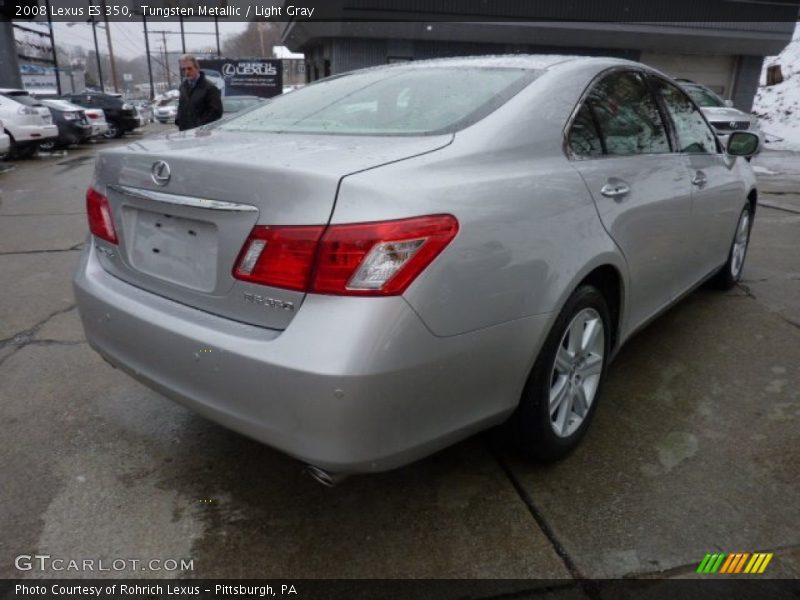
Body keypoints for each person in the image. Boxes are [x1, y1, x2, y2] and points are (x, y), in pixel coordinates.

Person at [175, 54, 223, 131]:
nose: (186, 72)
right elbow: (181, 106)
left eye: (189, 68)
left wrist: (200, 125)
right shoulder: (183, 87)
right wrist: (178, 120)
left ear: (197, 68)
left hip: (202, 134)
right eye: (183, 69)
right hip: (185, 132)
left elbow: (216, 112)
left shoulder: (210, 88)